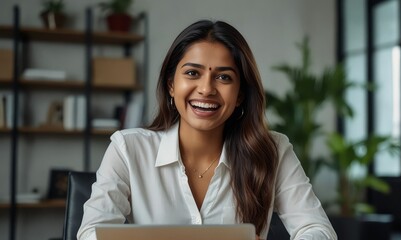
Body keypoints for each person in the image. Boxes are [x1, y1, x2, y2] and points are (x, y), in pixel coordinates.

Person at [77, 20, 337, 240]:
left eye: (224, 77)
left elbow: (316, 228)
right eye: (192, 73)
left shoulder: (273, 150)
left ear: (240, 96)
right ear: (171, 85)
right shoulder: (128, 149)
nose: (206, 89)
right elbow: (92, 232)